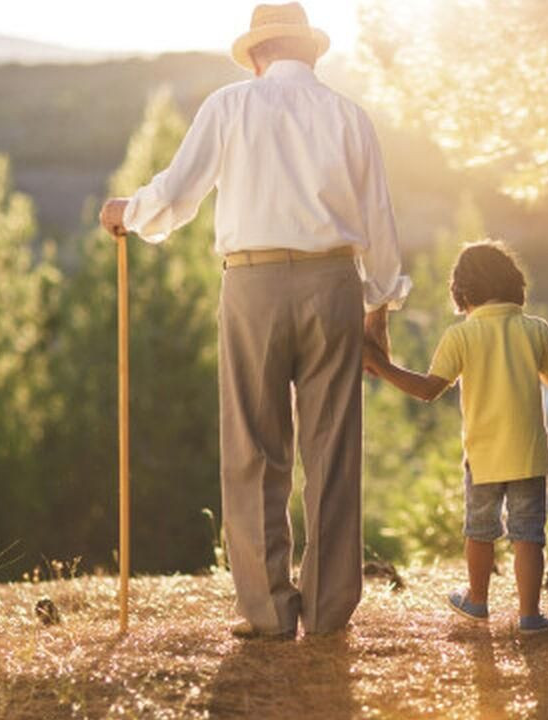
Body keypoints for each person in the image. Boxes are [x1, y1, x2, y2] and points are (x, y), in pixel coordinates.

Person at [98, 2, 410, 639]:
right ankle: (326, 613)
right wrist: (379, 308)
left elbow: (179, 195)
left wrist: (128, 211)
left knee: (253, 448)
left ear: (259, 54)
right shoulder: (351, 116)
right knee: (333, 452)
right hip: (334, 286)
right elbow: (379, 221)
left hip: (252, 283)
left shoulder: (230, 105)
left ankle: (269, 612)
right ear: (311, 52)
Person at [363, 240, 548, 634]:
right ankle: (530, 615)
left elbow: (427, 390)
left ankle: (477, 600)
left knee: (479, 530)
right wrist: (527, 361)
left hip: (484, 455)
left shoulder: (461, 336)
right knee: (529, 534)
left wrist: (381, 366)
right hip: (528, 453)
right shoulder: (537, 329)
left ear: (462, 292)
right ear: (514, 284)